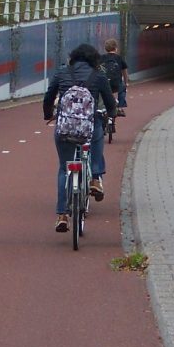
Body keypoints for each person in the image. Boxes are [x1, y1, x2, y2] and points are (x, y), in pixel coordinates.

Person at [42, 43, 116, 233]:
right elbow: (109, 102)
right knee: (97, 135)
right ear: (94, 60)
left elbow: (48, 97)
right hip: (89, 127)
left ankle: (62, 215)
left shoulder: (61, 73)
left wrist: (48, 114)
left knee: (63, 168)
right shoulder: (98, 75)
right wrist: (111, 113)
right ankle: (95, 179)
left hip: (65, 128)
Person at [98, 37, 130, 117]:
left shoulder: (101, 58)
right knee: (122, 89)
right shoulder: (119, 58)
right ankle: (120, 107)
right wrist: (126, 83)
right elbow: (125, 71)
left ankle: (100, 106)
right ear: (116, 48)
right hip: (116, 83)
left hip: (104, 83)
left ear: (105, 48)